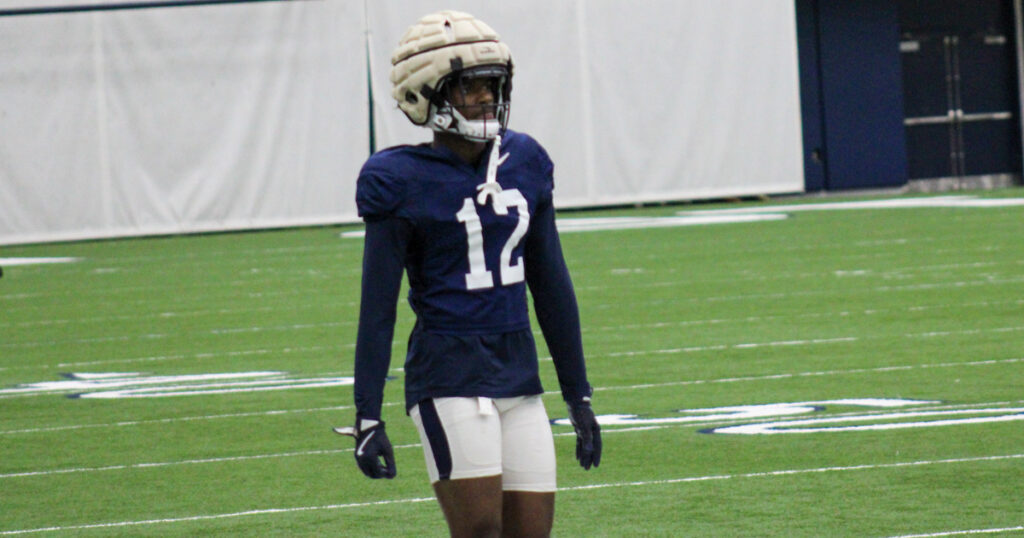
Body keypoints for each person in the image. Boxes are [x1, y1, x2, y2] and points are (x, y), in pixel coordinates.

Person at [337, 10, 601, 538]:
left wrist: (578, 394)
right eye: (469, 87)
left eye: (491, 85)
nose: (485, 97)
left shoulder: (524, 160)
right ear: (427, 95)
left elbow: (551, 283)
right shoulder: (398, 178)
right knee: (481, 529)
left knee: (531, 533)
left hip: (519, 373)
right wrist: (368, 415)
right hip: (448, 374)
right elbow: (378, 307)